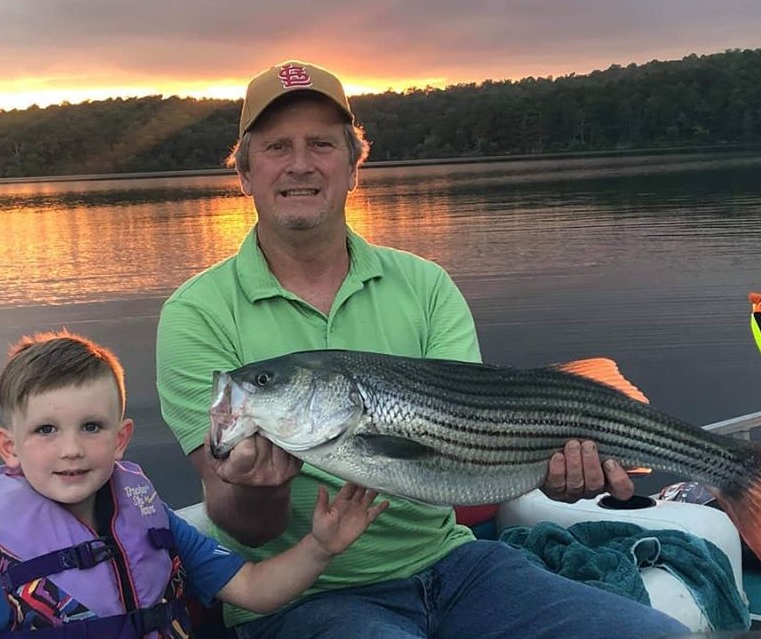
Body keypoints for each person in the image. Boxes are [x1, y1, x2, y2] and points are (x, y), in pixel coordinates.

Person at [155, 60, 689, 639]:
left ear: (355, 166)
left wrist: (551, 470)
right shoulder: (197, 315)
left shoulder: (425, 286)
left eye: (322, 144)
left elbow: (477, 442)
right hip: (305, 597)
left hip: (455, 567)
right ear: (245, 172)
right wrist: (261, 484)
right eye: (277, 146)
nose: (300, 164)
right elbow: (239, 526)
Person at [0, 330, 387, 639]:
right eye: (46, 430)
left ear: (121, 439)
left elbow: (252, 589)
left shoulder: (148, 518)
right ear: (9, 447)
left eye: (91, 427)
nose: (71, 449)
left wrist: (320, 547)